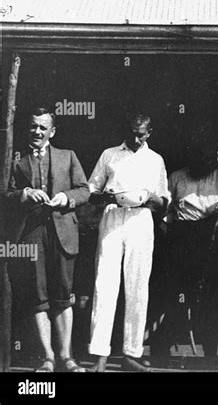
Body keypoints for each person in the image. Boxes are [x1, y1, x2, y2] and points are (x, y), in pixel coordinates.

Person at [5, 107, 90, 372]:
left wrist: (66, 198)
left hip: (63, 231)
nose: (37, 132)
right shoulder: (17, 162)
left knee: (64, 295)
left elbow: (85, 190)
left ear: (52, 132)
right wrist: (24, 194)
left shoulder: (68, 156)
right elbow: (5, 195)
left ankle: (67, 357)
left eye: (43, 127)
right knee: (37, 296)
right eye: (33, 126)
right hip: (32, 233)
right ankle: (48, 358)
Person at [87, 113, 170, 372]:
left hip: (141, 220)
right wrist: (106, 197)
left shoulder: (155, 160)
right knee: (105, 283)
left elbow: (164, 200)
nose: (136, 138)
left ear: (149, 132)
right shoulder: (109, 155)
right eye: (132, 132)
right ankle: (99, 354)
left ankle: (131, 353)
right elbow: (91, 190)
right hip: (112, 217)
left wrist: (150, 200)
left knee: (137, 285)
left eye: (141, 134)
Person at [155, 144, 218, 360]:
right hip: (182, 240)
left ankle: (210, 349)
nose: (203, 163)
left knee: (209, 297)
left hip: (211, 240)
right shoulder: (177, 178)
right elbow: (165, 211)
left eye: (208, 159)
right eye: (199, 158)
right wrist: (169, 231)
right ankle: (164, 348)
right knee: (177, 295)